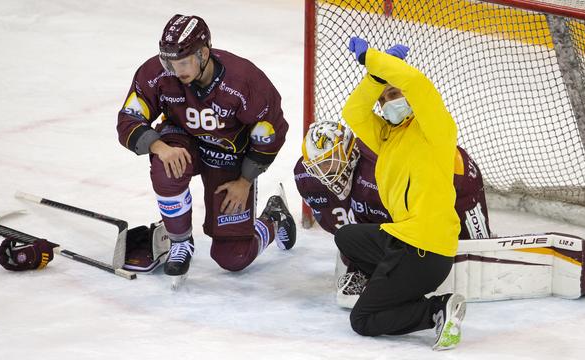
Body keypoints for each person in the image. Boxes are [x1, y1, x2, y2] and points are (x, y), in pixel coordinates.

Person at [116, 14, 296, 278]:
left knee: (233, 257)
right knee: (166, 169)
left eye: (183, 62)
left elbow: (270, 132)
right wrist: (158, 146)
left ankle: (274, 217)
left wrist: (245, 181)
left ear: (203, 53)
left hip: (227, 154)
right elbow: (129, 118)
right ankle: (180, 242)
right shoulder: (157, 74)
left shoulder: (244, 81)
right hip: (181, 138)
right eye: (169, 62)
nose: (176, 71)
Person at [332, 37, 465, 350]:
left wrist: (374, 59)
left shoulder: (435, 129)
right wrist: (375, 77)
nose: (391, 100)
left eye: (396, 92)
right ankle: (396, 288)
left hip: (425, 250)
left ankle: (436, 309)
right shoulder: (386, 137)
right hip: (403, 238)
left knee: (362, 320)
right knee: (347, 237)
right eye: (385, 97)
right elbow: (353, 112)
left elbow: (417, 83)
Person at [295, 120, 490, 307]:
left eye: (329, 163)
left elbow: (412, 228)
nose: (323, 174)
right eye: (317, 166)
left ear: (349, 152)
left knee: (474, 247)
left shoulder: (377, 169)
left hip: (456, 174)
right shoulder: (306, 177)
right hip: (400, 191)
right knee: (358, 229)